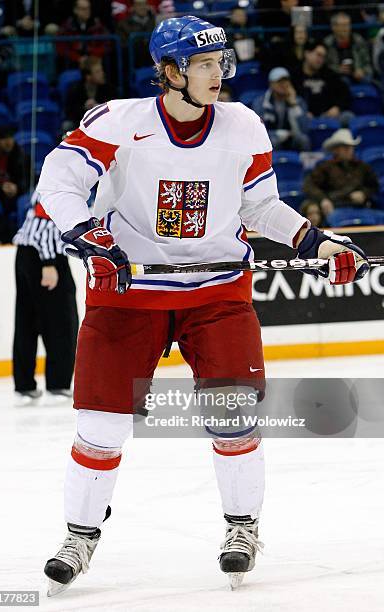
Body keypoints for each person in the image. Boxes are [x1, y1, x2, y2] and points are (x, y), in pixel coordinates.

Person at [36, 15, 369, 595]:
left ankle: (242, 527)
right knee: (100, 426)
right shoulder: (119, 122)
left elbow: (261, 207)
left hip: (217, 295)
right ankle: (81, 532)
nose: (221, 74)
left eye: (222, 62)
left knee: (234, 416)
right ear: (169, 72)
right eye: (205, 65)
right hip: (128, 292)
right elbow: (57, 181)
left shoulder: (242, 125)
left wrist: (314, 241)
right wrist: (91, 234)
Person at [12, 193, 79, 406]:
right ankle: (58, 382)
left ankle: (24, 384)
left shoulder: (49, 180)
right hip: (44, 256)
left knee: (27, 320)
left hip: (27, 254)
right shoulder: (61, 183)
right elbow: (45, 223)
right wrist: (49, 262)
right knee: (62, 321)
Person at [303, 128, 379, 216]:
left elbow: (374, 186)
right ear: (336, 150)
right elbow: (309, 186)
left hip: (360, 206)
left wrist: (364, 194)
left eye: (351, 147)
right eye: (345, 147)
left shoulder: (362, 167)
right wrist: (323, 199)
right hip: (335, 207)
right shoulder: (325, 167)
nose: (349, 150)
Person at [291, 40, 353, 126]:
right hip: (305, 118)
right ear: (307, 54)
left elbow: (345, 93)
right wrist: (303, 111)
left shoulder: (329, 74)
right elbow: (290, 99)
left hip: (327, 117)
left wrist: (337, 108)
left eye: (323, 57)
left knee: (348, 116)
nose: (320, 60)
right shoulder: (294, 75)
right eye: (318, 55)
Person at [251, 66, 311, 150]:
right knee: (273, 141)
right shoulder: (260, 103)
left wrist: (293, 105)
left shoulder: (299, 102)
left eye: (286, 81)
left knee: (303, 140)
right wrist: (277, 134)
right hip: (271, 138)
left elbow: (304, 130)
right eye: (279, 82)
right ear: (271, 84)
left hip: (292, 138)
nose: (284, 85)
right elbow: (259, 131)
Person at [64, 57, 116, 130]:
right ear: (88, 76)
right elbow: (69, 112)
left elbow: (114, 108)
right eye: (98, 72)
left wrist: (98, 106)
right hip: (80, 124)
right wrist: (84, 108)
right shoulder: (75, 89)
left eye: (101, 70)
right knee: (67, 125)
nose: (102, 73)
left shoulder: (108, 88)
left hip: (103, 122)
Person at [57, 0, 110, 68]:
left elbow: (107, 44)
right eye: (83, 9)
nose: (87, 11)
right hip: (72, 63)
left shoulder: (98, 25)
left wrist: (93, 56)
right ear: (75, 10)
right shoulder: (67, 26)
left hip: (94, 61)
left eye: (88, 8)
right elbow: (61, 47)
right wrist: (78, 58)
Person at [324, 12, 373, 83]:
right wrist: (338, 69)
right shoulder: (327, 43)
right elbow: (324, 67)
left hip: (358, 74)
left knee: (367, 79)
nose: (346, 28)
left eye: (347, 25)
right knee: (342, 82)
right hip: (337, 76)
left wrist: (362, 71)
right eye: (342, 25)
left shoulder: (358, 40)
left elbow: (367, 63)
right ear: (333, 27)